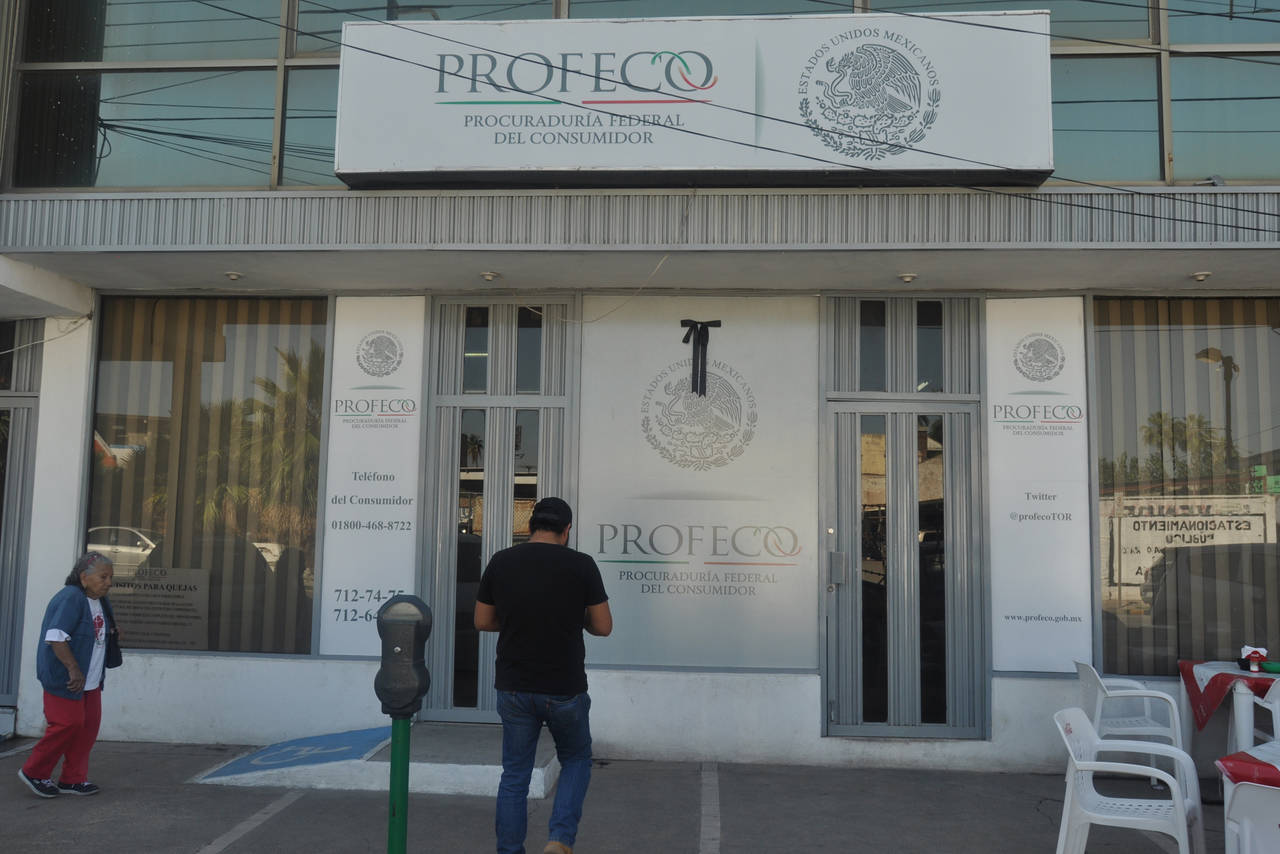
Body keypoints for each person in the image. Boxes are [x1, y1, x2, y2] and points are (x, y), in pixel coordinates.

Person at [475, 497, 612, 854]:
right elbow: (603, 626)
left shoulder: (501, 561)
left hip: (514, 688)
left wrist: (518, 621)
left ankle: (509, 850)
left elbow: (482, 621)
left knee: (515, 776)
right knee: (576, 760)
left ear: (530, 526)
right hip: (565, 688)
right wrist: (574, 619)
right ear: (567, 530)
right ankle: (559, 840)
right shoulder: (581, 565)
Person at [18, 551, 118, 798]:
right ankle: (35, 771)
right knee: (66, 724)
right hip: (67, 678)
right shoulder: (70, 598)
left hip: (91, 679)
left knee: (88, 728)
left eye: (110, 577)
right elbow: (56, 637)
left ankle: (73, 779)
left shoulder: (100, 600)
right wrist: (73, 668)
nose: (109, 583)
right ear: (84, 577)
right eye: (103, 577)